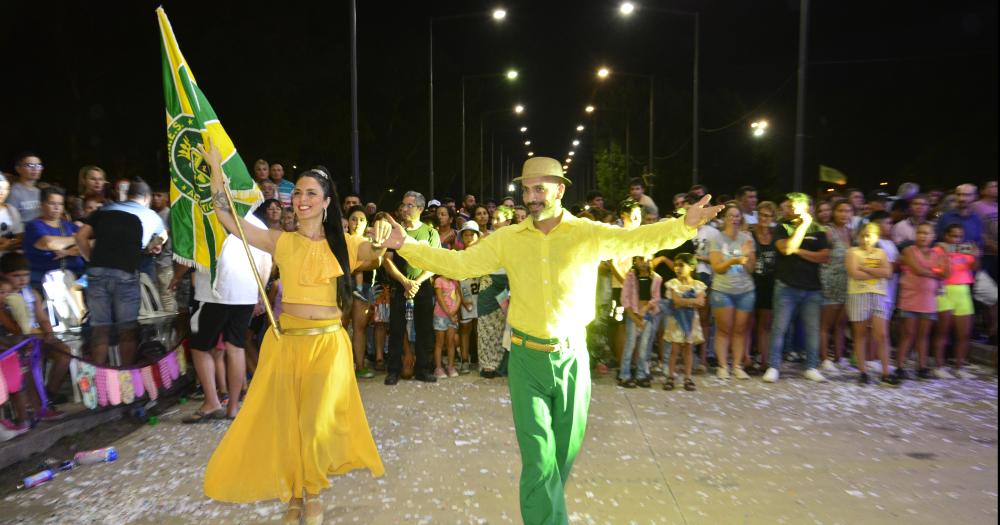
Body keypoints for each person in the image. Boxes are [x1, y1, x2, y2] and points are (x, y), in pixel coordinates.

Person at [379, 156, 721, 525]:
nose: (532, 196)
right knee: (539, 462)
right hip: (526, 361)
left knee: (561, 459)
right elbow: (460, 264)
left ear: (559, 189)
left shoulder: (588, 233)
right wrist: (407, 246)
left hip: (573, 359)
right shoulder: (508, 239)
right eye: (526, 188)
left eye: (539, 188)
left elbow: (636, 239)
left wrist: (683, 226)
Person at [198, 139, 388, 524]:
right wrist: (216, 170)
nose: (301, 199)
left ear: (326, 202)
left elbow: (379, 250)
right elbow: (227, 218)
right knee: (290, 424)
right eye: (298, 192)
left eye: (311, 194)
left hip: (328, 346)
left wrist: (386, 237)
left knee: (315, 424)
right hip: (286, 344)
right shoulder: (278, 240)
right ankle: (294, 496)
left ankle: (313, 493)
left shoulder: (346, 245)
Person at [181, 212, 272, 423]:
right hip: (245, 294)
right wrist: (259, 294)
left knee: (199, 346)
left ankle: (212, 401)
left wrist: (177, 276)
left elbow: (192, 253)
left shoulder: (209, 214)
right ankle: (233, 407)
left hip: (212, 293)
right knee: (235, 346)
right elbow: (266, 262)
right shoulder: (257, 222)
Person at [74, 178, 166, 365]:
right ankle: (126, 378)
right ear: (146, 197)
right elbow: (162, 238)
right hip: (125, 272)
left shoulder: (105, 210)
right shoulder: (151, 215)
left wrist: (90, 259)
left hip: (97, 272)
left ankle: (98, 376)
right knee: (127, 329)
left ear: (127, 195)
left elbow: (80, 236)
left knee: (100, 328)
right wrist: (151, 246)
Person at [763, 193, 831, 383]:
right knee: (779, 328)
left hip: (812, 288)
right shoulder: (783, 226)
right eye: (795, 205)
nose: (797, 208)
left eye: (802, 205)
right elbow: (785, 248)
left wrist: (798, 251)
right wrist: (801, 226)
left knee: (812, 330)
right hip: (786, 286)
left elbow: (824, 257)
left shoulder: (819, 229)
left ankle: (811, 366)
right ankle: (773, 366)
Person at [383, 191, 441, 385]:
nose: (405, 209)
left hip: (422, 287)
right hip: (400, 286)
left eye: (410, 205)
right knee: (396, 328)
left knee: (424, 328)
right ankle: (393, 370)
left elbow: (435, 262)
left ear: (420, 209)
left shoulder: (431, 233)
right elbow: (387, 261)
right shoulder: (395, 230)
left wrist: (416, 282)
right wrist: (404, 282)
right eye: (404, 205)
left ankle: (423, 369)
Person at [845, 223, 899, 386]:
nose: (866, 239)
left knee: (881, 334)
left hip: (878, 295)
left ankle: (886, 373)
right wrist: (875, 271)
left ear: (876, 237)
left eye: (869, 235)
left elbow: (887, 273)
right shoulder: (852, 252)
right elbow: (854, 273)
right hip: (858, 294)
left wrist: (864, 268)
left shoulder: (881, 253)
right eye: (862, 236)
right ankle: (863, 371)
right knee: (860, 334)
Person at [708, 203, 756, 380]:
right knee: (723, 329)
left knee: (740, 330)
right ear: (725, 218)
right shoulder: (717, 239)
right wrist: (734, 260)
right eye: (731, 216)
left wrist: (748, 256)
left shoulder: (747, 239)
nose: (734, 219)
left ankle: (737, 365)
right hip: (723, 290)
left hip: (745, 290)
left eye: (737, 216)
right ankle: (722, 365)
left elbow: (751, 268)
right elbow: (717, 267)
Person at [896, 223, 948, 381]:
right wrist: (934, 272)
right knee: (908, 334)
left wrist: (945, 256)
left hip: (929, 300)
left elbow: (945, 273)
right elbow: (917, 269)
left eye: (927, 233)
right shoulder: (909, 250)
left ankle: (922, 367)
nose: (923, 236)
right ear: (915, 235)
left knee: (923, 335)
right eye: (920, 232)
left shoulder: (938, 254)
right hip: (910, 298)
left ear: (933, 237)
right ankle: (900, 366)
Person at [932, 224, 978, 380]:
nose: (957, 239)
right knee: (942, 332)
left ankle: (959, 367)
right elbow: (939, 271)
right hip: (945, 292)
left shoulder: (964, 249)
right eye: (953, 236)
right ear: (946, 236)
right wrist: (946, 252)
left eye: (959, 236)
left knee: (964, 334)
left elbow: (975, 265)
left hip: (963, 291)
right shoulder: (938, 250)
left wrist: (976, 255)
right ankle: (939, 366)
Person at [24, 186, 85, 291]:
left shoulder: (69, 225)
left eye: (60, 204)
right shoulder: (34, 225)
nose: (57, 207)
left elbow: (93, 243)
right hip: (45, 279)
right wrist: (78, 240)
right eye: (52, 203)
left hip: (75, 277)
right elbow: (48, 244)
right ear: (41, 205)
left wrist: (68, 252)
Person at [617, 256, 662, 388]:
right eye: (641, 259)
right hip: (633, 315)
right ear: (635, 261)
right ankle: (624, 374)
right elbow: (625, 299)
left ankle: (641, 374)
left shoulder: (656, 278)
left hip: (647, 316)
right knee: (630, 345)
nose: (644, 263)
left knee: (644, 347)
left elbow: (656, 298)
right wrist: (635, 318)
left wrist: (646, 309)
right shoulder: (630, 277)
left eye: (647, 259)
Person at [663, 253, 706, 392]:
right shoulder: (673, 284)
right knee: (674, 349)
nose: (677, 268)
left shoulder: (698, 285)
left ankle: (688, 377)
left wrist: (684, 302)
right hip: (676, 321)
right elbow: (675, 301)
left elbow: (701, 302)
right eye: (676, 265)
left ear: (692, 267)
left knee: (688, 349)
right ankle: (670, 376)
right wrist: (691, 302)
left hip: (691, 321)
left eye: (681, 265)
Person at [819, 199, 852, 371]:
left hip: (847, 283)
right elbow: (823, 258)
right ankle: (824, 358)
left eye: (848, 211)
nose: (844, 214)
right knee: (826, 324)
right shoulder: (828, 231)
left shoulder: (850, 232)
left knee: (841, 323)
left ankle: (839, 357)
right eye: (841, 211)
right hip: (830, 281)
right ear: (834, 212)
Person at [345, 206, 375, 379]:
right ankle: (342, 367)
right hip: (341, 287)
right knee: (340, 327)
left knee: (360, 328)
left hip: (363, 288)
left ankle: (360, 366)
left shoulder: (369, 243)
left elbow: (374, 262)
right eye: (354, 219)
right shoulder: (342, 240)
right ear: (348, 221)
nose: (357, 223)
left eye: (362, 219)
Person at [751, 202, 778, 372]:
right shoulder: (750, 233)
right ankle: (747, 358)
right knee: (748, 323)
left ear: (773, 218)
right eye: (762, 215)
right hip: (752, 281)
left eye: (768, 216)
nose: (764, 219)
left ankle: (764, 359)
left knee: (765, 323)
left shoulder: (776, 235)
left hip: (770, 282)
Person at [937, 184, 983, 249]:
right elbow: (937, 243)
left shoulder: (977, 219)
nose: (961, 198)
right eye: (959, 194)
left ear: (975, 197)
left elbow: (978, 246)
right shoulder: (944, 218)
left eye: (966, 195)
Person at [432, 272, 460, 378]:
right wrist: (449, 314)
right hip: (440, 316)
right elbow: (440, 298)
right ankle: (438, 368)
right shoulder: (439, 281)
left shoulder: (455, 281)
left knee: (451, 342)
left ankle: (451, 366)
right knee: (440, 342)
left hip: (452, 317)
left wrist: (453, 312)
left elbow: (458, 297)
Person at [8, 152, 44, 223]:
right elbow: (12, 222)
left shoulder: (40, 191)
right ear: (18, 169)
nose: (35, 169)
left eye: (38, 166)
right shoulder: (13, 192)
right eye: (30, 165)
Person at [0, 174, 24, 257]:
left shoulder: (11, 210)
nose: (2, 192)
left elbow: (19, 236)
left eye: (6, 188)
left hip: (8, 258)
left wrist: (9, 242)